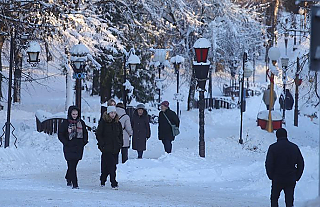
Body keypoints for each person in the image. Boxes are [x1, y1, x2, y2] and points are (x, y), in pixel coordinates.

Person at [265, 128, 304, 207]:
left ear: (277, 136)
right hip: (290, 178)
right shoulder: (294, 147)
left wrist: (271, 176)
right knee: (289, 200)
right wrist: (297, 176)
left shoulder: (273, 148)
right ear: (286, 135)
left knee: (274, 198)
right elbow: (301, 163)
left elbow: (269, 164)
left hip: (277, 178)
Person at [58, 106, 88, 189]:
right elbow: (60, 134)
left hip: (78, 146)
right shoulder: (65, 123)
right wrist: (66, 142)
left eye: (76, 114)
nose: (75, 116)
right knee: (71, 165)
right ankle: (75, 184)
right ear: (70, 114)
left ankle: (68, 177)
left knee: (74, 164)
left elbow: (85, 133)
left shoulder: (81, 123)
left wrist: (84, 142)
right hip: (69, 146)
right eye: (73, 114)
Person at [96, 106, 123, 189]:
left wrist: (120, 144)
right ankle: (113, 182)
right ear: (108, 113)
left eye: (114, 113)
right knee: (111, 165)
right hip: (106, 148)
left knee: (108, 166)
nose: (113, 115)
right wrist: (102, 144)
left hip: (115, 148)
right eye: (111, 113)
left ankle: (103, 179)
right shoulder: (103, 122)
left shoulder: (117, 123)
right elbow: (99, 134)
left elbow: (120, 135)